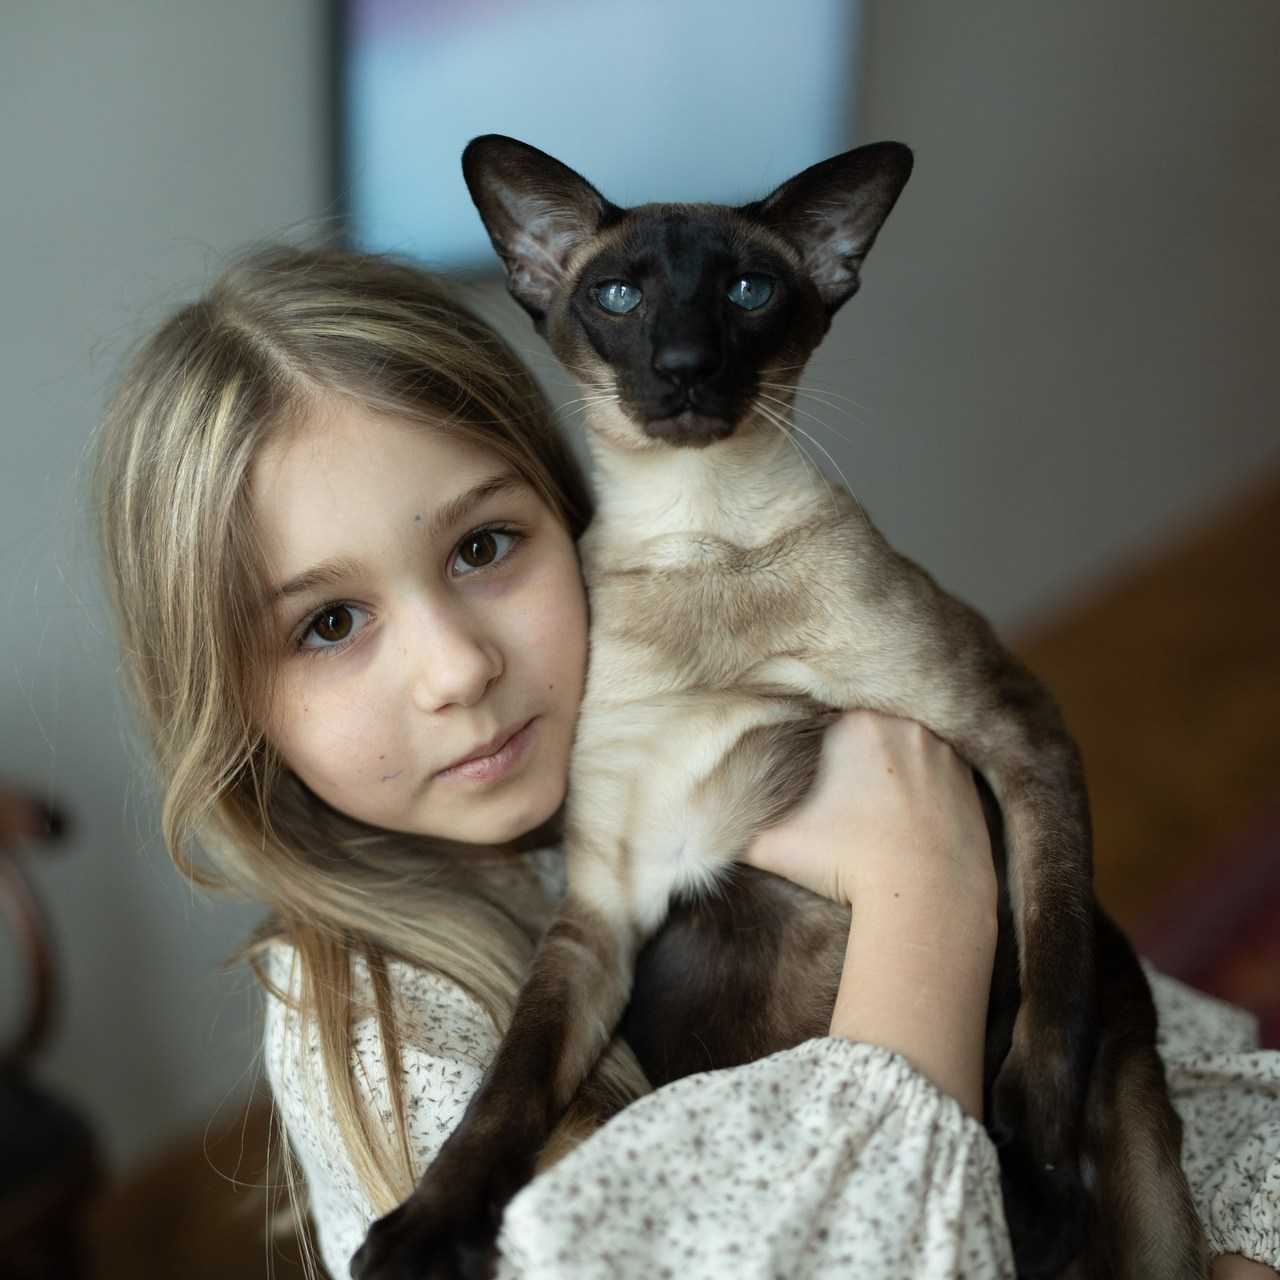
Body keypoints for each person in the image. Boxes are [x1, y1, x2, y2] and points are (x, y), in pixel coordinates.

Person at [92, 244, 1279, 1279]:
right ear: (228, 704)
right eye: (328, 624)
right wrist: (931, 884)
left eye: (485, 545)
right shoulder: (367, 1033)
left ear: (576, 518)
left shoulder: (661, 728)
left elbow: (1167, 1057)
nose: (454, 670)